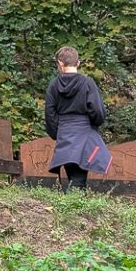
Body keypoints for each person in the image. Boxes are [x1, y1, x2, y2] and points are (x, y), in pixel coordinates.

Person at [45, 46, 110, 191]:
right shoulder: (87, 83)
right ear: (78, 63)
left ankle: (75, 205)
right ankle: (73, 206)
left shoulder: (53, 86)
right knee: (78, 179)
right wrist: (93, 125)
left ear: (60, 64)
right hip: (84, 132)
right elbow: (98, 111)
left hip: (64, 133)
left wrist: (57, 133)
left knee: (75, 176)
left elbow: (49, 114)